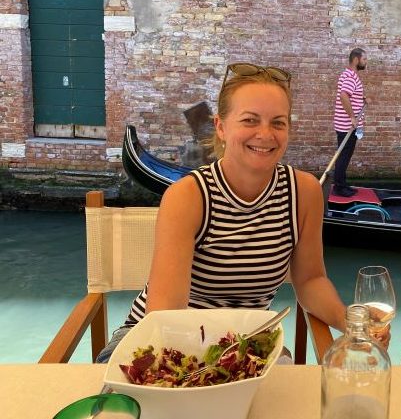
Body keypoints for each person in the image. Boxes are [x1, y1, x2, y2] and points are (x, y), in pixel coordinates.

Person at [96, 62, 348, 362]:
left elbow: (310, 281)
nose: (265, 134)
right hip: (157, 340)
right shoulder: (188, 196)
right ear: (221, 127)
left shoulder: (304, 193)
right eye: (250, 120)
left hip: (247, 346)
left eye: (278, 123)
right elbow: (165, 310)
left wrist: (354, 325)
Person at [332, 47, 367, 197]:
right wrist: (353, 117)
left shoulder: (349, 75)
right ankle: (339, 187)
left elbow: (351, 95)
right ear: (356, 59)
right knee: (343, 156)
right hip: (347, 126)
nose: (366, 62)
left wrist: (363, 99)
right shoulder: (351, 76)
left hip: (346, 125)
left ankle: (342, 184)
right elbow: (344, 95)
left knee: (344, 155)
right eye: (364, 59)